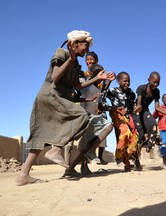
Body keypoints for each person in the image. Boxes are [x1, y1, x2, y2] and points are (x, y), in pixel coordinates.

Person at [15, 30, 115, 186]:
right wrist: (70, 57)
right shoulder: (62, 53)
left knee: (42, 134)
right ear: (74, 44)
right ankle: (56, 150)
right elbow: (55, 77)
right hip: (50, 96)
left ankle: (23, 175)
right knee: (81, 115)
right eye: (85, 45)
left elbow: (77, 85)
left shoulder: (76, 63)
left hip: (57, 98)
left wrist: (97, 78)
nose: (87, 49)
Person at [99, 72, 142, 172]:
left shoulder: (131, 93)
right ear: (119, 81)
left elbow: (133, 105)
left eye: (129, 81)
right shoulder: (113, 91)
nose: (127, 83)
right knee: (124, 133)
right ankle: (119, 156)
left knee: (134, 138)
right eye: (125, 81)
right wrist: (109, 81)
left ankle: (130, 163)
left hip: (128, 117)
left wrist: (135, 108)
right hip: (117, 116)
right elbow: (102, 94)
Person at [133, 72, 166, 153]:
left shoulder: (156, 91)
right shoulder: (141, 88)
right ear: (148, 80)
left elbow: (157, 107)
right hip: (136, 111)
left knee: (153, 124)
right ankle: (136, 157)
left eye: (158, 82)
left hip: (145, 110)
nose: (156, 84)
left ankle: (149, 145)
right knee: (141, 133)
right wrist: (138, 106)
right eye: (154, 82)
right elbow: (139, 104)